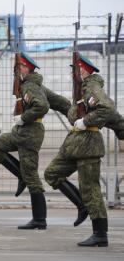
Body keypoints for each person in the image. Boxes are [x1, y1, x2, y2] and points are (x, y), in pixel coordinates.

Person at [44, 54, 112, 247]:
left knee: (91, 189)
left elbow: (106, 108)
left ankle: (100, 234)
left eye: (74, 69)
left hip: (89, 144)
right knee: (52, 173)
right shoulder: (81, 90)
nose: (72, 73)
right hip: (75, 145)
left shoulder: (91, 87)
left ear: (83, 70)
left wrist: (86, 121)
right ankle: (81, 205)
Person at [0, 53, 49, 230]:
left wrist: (24, 117)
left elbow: (42, 106)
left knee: (32, 177)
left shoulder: (30, 86)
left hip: (30, 133)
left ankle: (39, 219)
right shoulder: (30, 85)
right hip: (21, 132)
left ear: (26, 69)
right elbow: (55, 101)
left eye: (18, 68)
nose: (16, 71)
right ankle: (20, 175)